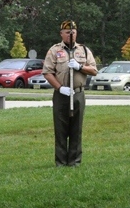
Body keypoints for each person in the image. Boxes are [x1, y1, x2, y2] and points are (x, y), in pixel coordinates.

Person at [42, 20, 98, 167]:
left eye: (73, 32)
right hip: (62, 94)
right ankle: (61, 161)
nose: (70, 35)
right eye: (67, 32)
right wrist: (60, 88)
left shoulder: (84, 50)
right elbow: (47, 72)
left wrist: (80, 67)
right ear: (61, 34)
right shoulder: (54, 50)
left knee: (76, 128)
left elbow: (94, 70)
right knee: (60, 129)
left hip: (78, 93)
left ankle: (74, 161)